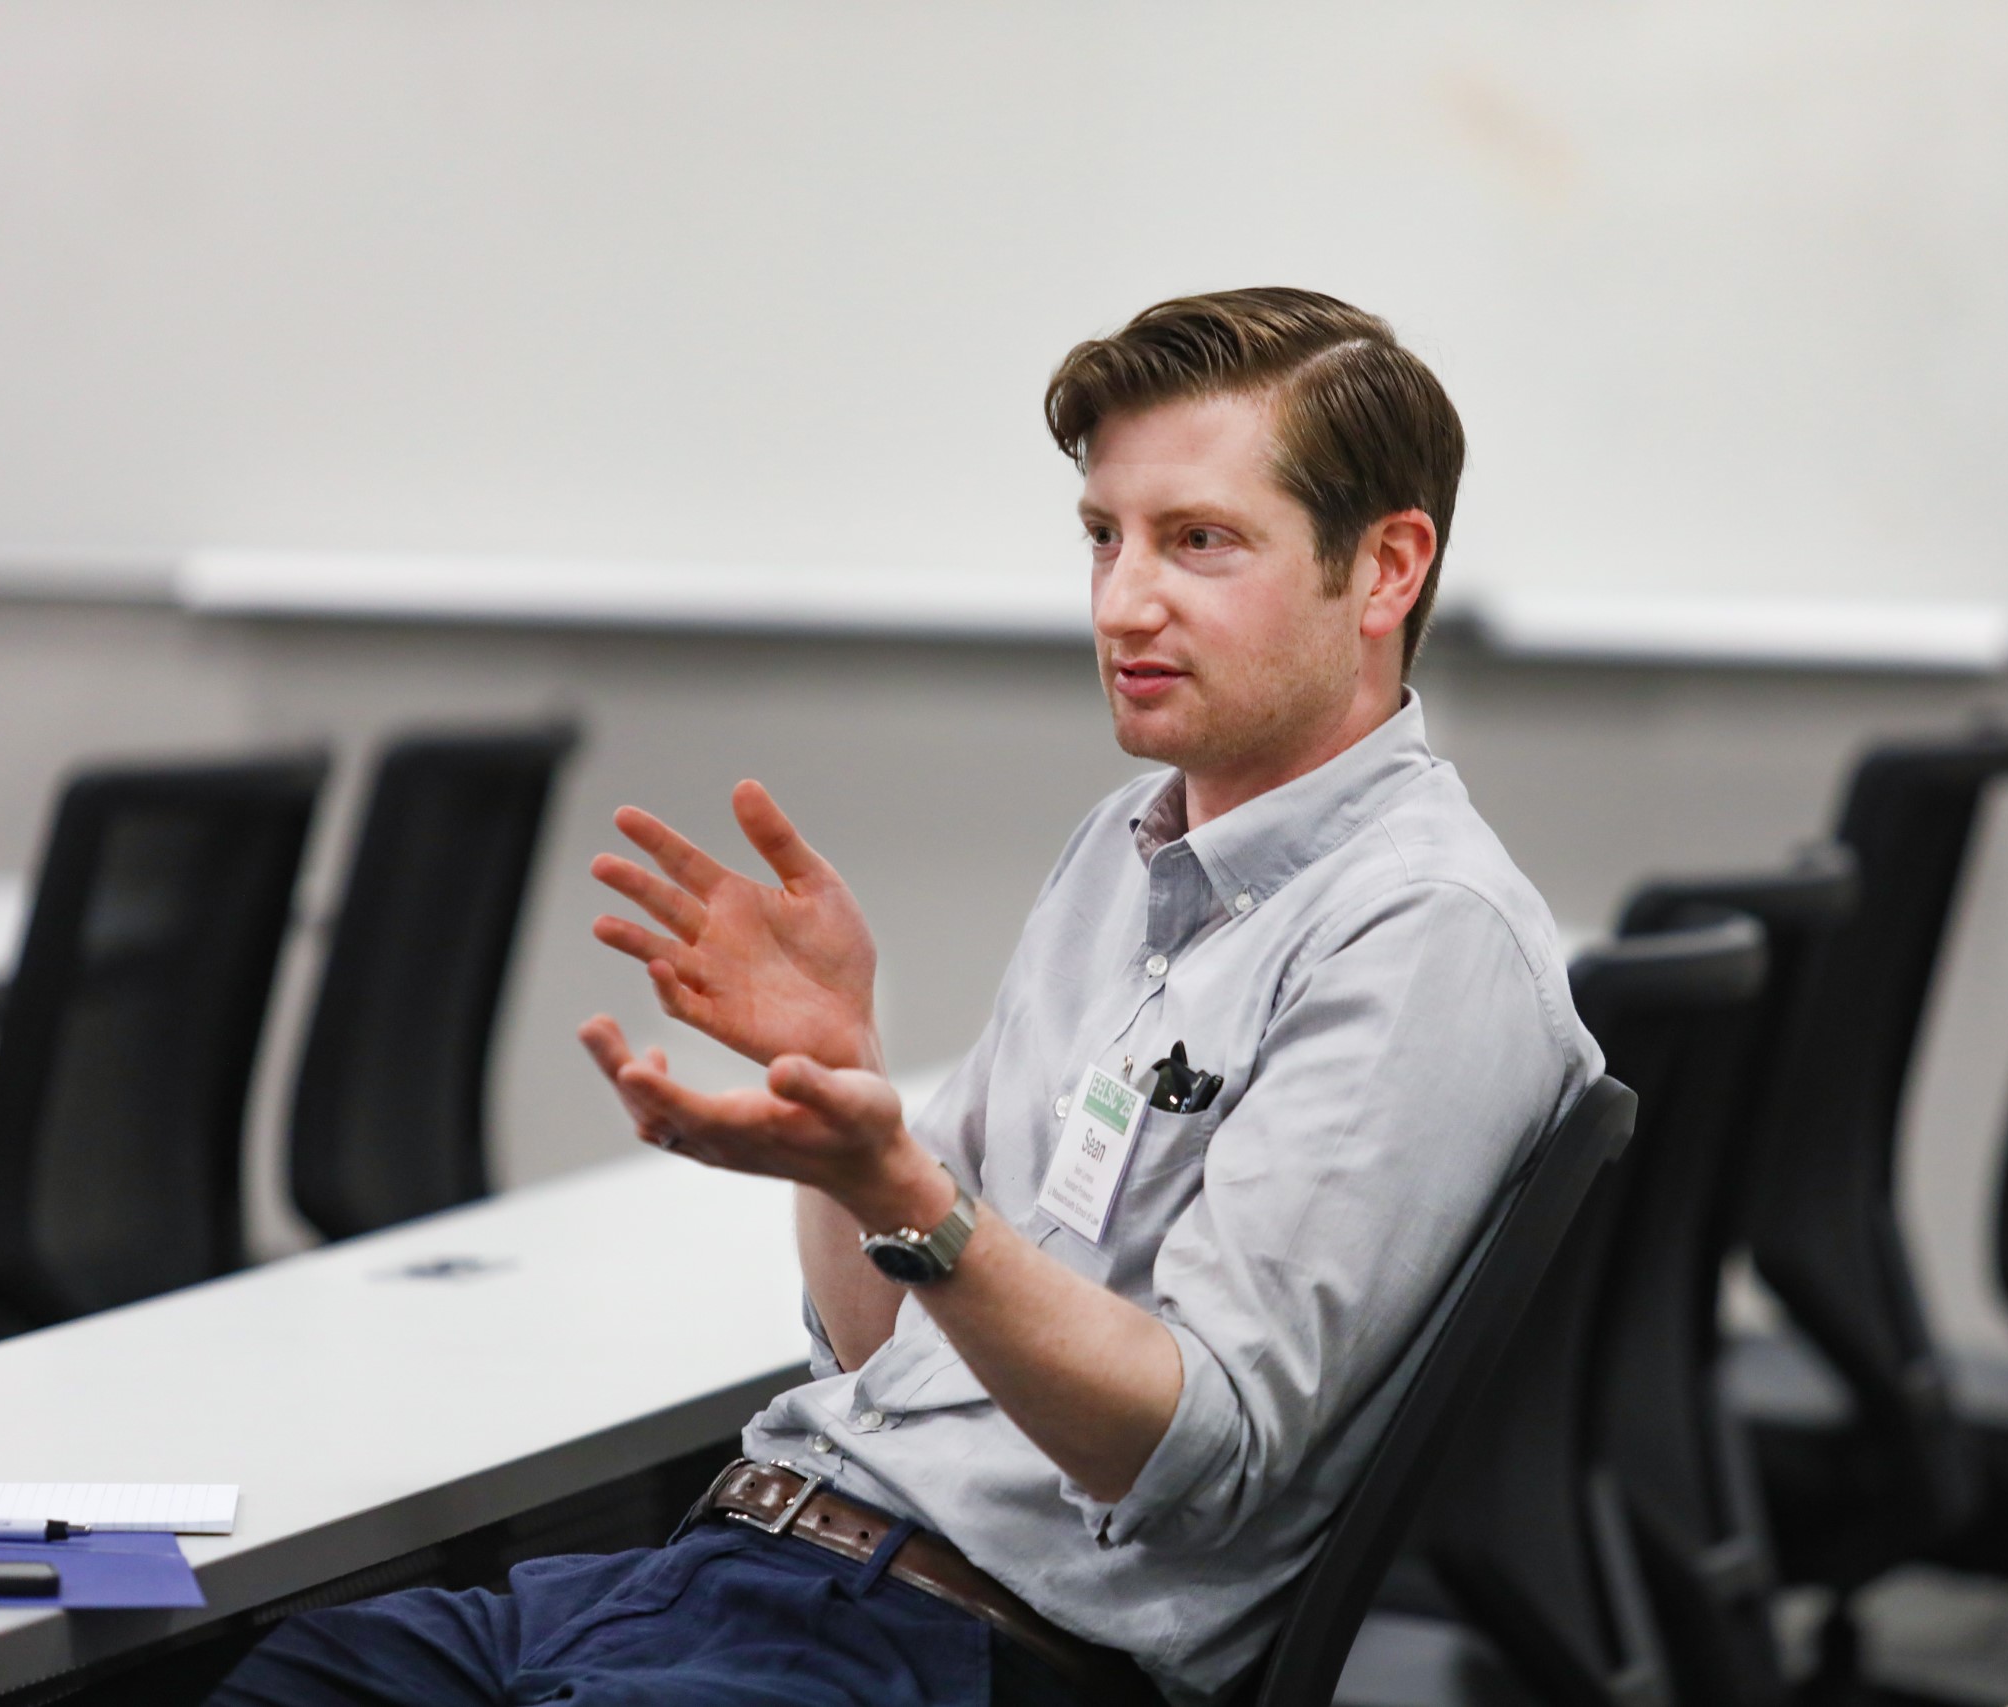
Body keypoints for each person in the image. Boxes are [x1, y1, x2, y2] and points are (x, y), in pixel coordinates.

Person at [211, 288, 1602, 1707]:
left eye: (1200, 542)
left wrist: (907, 1196)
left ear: (1384, 569)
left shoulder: (1417, 932)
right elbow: (891, 1345)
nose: (1124, 601)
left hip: (961, 1647)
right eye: (1103, 538)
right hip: (750, 1566)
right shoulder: (1124, 851)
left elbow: (1193, 1455)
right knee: (297, 1673)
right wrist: (843, 1089)